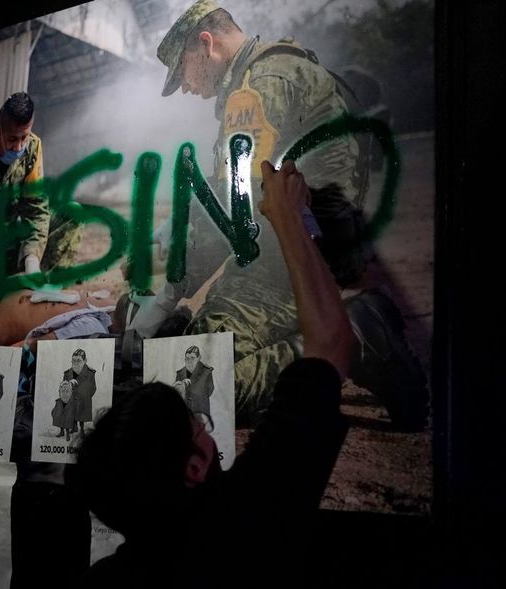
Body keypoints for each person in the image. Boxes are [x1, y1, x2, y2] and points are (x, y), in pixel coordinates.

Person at [136, 0, 427, 430]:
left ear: (206, 44)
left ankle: (357, 334)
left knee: (199, 387)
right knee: (188, 350)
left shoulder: (258, 87)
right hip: (293, 255)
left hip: (291, 268)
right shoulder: (269, 71)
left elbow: (238, 209)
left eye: (183, 70)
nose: (186, 87)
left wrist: (170, 292)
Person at [67, 159, 355, 586]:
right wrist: (287, 217)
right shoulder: (247, 522)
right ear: (195, 467)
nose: (204, 425)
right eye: (196, 423)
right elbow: (332, 344)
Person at [0, 91, 83, 275]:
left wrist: (32, 259)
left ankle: (41, 290)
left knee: (73, 213)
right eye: (12, 139)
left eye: (24, 138)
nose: (19, 147)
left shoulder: (33, 149)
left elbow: (36, 209)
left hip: (14, 244)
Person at [63, 349, 97, 437]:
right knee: (71, 414)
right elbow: (63, 386)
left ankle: (81, 430)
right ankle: (74, 428)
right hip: (71, 399)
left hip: (83, 399)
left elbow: (93, 388)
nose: (75, 363)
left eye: (78, 360)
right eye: (73, 360)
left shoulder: (90, 373)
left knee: (81, 416)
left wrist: (86, 397)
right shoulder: (67, 373)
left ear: (85, 361)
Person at [174, 345, 214, 416]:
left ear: (198, 358)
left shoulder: (207, 371)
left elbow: (210, 390)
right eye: (187, 358)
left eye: (192, 358)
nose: (189, 361)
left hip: (201, 413)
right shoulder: (180, 374)